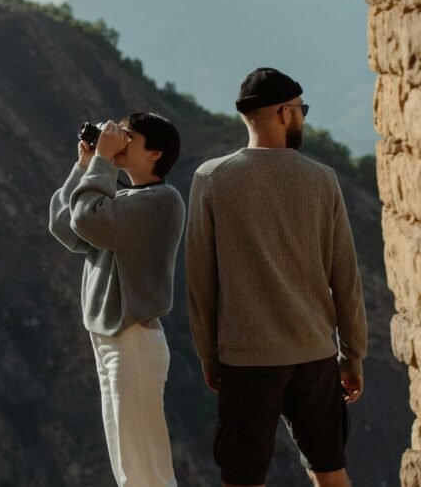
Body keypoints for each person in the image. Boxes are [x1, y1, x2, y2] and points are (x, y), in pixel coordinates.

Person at [186, 67, 368, 487]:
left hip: (246, 359)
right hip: (314, 354)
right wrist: (352, 355)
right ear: (284, 113)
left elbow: (200, 280)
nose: (303, 117)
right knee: (330, 470)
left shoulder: (211, 179)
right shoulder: (323, 180)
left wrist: (209, 354)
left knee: (243, 477)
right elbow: (345, 276)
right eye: (301, 109)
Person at [48, 113, 185, 486]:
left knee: (146, 465)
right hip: (110, 339)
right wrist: (85, 166)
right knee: (126, 463)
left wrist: (102, 164)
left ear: (155, 153)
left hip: (134, 340)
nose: (119, 140)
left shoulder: (162, 201)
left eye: (130, 136)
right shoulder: (121, 196)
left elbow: (90, 221)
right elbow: (65, 225)